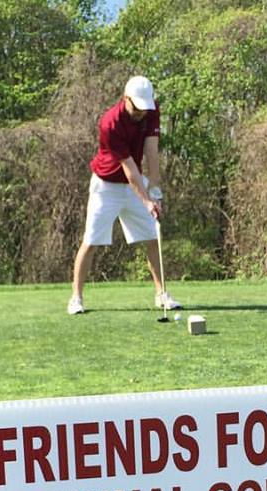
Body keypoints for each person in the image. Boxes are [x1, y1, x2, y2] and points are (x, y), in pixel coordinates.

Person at [68, 75, 181, 315]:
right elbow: (128, 168)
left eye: (144, 108)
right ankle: (76, 298)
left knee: (152, 236)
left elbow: (151, 150)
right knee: (91, 241)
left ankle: (161, 294)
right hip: (106, 186)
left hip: (135, 185)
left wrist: (155, 188)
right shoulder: (110, 123)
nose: (141, 112)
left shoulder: (151, 110)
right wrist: (147, 201)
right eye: (137, 107)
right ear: (125, 98)